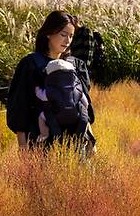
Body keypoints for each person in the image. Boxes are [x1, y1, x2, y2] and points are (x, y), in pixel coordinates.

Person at [6, 10, 95, 152]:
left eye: (71, 36)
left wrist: (91, 141)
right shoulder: (31, 64)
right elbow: (20, 107)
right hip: (41, 144)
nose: (67, 41)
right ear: (48, 33)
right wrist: (23, 148)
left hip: (75, 144)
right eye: (63, 35)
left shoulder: (76, 66)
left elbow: (83, 106)